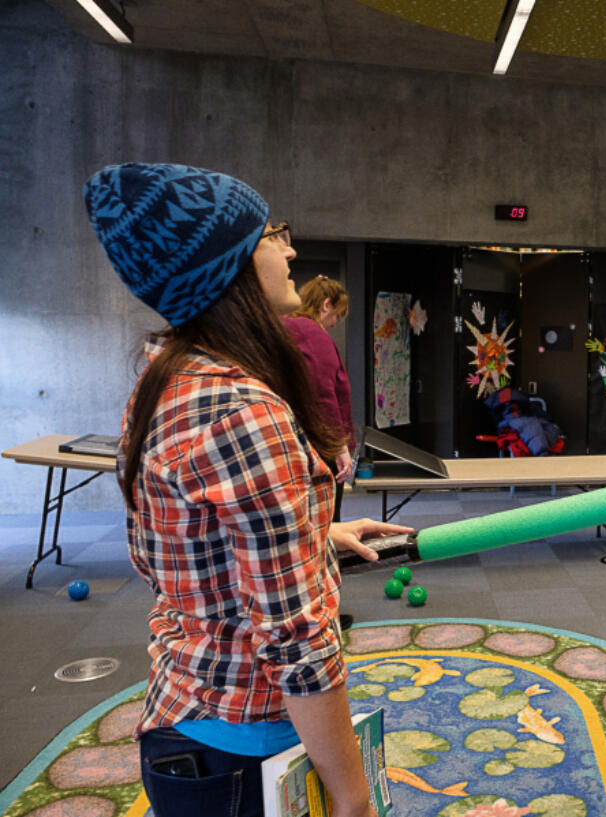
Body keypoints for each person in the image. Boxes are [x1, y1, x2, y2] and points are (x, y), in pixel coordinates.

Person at [83, 162, 410, 817]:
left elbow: (182, 546)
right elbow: (297, 645)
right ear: (225, 263)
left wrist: (314, 533)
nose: (289, 250)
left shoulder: (168, 375)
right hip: (243, 751)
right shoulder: (240, 410)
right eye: (269, 235)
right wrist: (353, 797)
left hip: (186, 715)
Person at [283, 276, 356, 521]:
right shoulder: (312, 333)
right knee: (328, 519)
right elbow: (322, 395)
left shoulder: (286, 326)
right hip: (319, 442)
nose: (335, 323)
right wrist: (338, 445)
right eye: (337, 314)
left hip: (298, 438)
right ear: (326, 305)